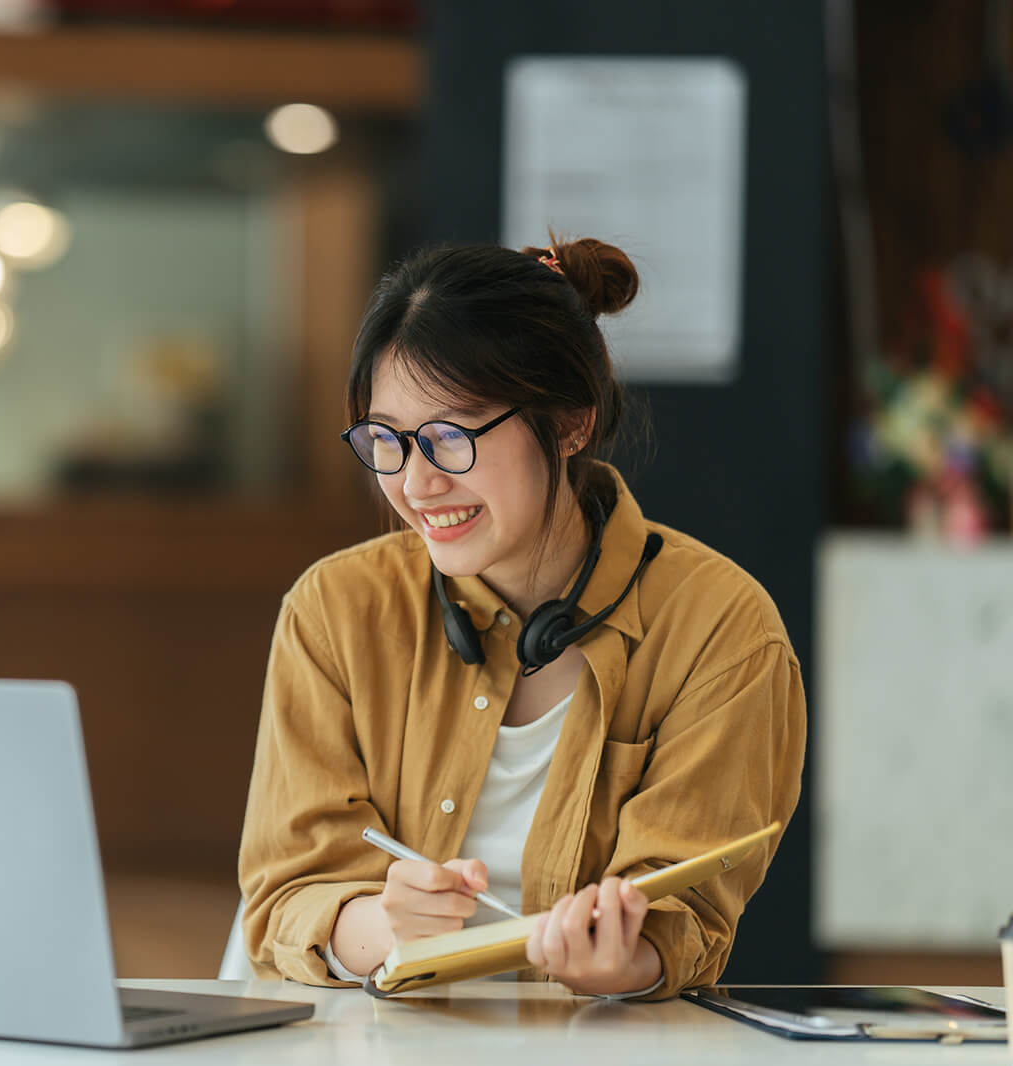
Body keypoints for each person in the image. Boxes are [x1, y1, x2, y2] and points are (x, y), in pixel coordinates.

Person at [237, 239, 806, 999]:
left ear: (570, 423)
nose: (416, 482)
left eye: (450, 435)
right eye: (387, 439)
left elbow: (685, 919)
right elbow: (285, 895)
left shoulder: (721, 629)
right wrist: (379, 925)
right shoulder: (335, 612)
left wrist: (622, 963)